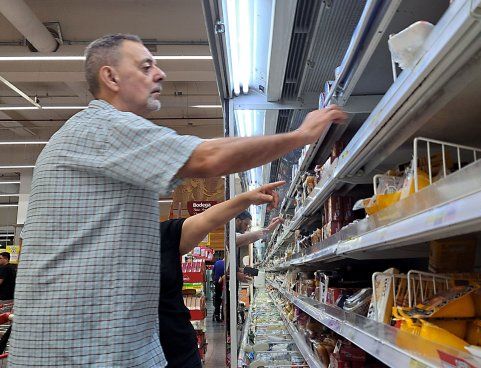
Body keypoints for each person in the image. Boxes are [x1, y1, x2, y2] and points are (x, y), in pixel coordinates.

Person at [11, 33, 347, 366]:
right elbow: (207, 157)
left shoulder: (92, 135)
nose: (159, 73)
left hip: (97, 342)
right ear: (110, 77)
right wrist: (300, 136)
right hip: (83, 349)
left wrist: (243, 199)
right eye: (145, 66)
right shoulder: (103, 127)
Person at [159, 181, 283, 367]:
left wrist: (248, 199)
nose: (246, 229)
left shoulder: (162, 235)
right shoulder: (229, 238)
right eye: (246, 225)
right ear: (239, 221)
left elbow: (206, 220)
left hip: (179, 353)